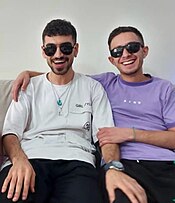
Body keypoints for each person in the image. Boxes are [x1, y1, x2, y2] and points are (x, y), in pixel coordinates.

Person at [11, 26, 175, 203]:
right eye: (118, 51)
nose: (126, 55)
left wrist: (130, 133)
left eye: (132, 47)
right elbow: (63, 74)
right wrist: (29, 74)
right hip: (123, 164)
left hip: (165, 164)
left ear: (144, 50)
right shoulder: (103, 83)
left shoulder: (165, 89)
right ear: (112, 59)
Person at [0, 19, 120, 203]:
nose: (58, 54)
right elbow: (10, 132)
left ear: (76, 49)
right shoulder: (28, 86)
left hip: (78, 162)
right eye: (51, 49)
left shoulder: (93, 88)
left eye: (65, 48)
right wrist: (19, 160)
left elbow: (106, 137)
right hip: (31, 159)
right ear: (43, 51)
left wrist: (113, 167)